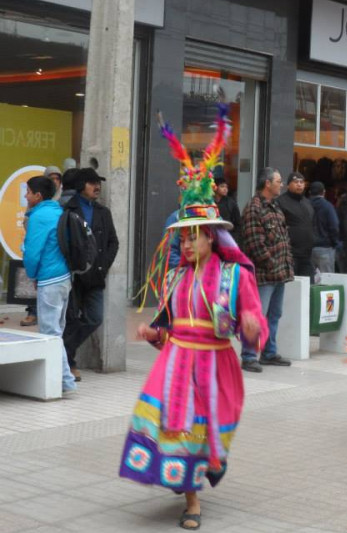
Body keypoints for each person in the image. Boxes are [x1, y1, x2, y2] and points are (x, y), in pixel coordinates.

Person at [121, 105, 267, 530]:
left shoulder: (235, 276)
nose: (186, 245)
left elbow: (252, 318)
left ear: (212, 237)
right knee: (175, 426)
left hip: (217, 364)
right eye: (182, 237)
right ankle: (192, 501)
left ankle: (203, 468)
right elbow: (167, 326)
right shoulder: (177, 277)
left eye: (193, 237)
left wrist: (255, 330)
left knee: (208, 432)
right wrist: (153, 332)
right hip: (176, 363)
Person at [62, 168, 119, 381]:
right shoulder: (68, 209)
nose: (97, 187)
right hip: (73, 276)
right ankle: (69, 361)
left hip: (95, 276)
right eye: (92, 183)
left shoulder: (103, 212)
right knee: (71, 320)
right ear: (80, 186)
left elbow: (114, 242)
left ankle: (63, 350)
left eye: (99, 183)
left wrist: (103, 265)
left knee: (94, 317)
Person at [22, 176, 77, 394]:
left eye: (28, 192)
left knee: (49, 333)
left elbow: (33, 253)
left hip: (49, 279)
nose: (26, 196)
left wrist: (33, 275)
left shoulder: (40, 217)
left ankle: (65, 382)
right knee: (56, 331)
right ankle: (64, 380)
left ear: (38, 195)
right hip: (64, 279)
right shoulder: (57, 212)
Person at [241, 167, 294, 370]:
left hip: (279, 273)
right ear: (267, 184)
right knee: (256, 315)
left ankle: (269, 352)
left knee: (274, 314)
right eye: (278, 181)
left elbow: (283, 238)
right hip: (263, 275)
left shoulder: (274, 206)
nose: (281, 184)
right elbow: (255, 244)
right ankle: (249, 355)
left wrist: (285, 265)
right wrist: (273, 263)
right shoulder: (254, 208)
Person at [276, 172, 315, 278]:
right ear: (288, 185)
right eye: (296, 182)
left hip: (307, 255)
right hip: (290, 255)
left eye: (301, 182)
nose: (299, 184)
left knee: (308, 288)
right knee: (291, 289)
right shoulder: (280, 202)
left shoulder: (307, 202)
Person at [309, 181, 340, 274]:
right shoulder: (328, 206)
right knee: (327, 281)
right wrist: (335, 243)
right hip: (325, 248)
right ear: (324, 192)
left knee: (310, 281)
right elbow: (334, 226)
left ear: (309, 192)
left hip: (308, 248)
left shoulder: (305, 205)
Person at [213, 177, 243, 243]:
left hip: (228, 237)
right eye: (222, 186)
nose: (225, 189)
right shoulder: (210, 202)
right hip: (213, 237)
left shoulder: (231, 203)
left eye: (226, 187)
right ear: (215, 187)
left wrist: (234, 238)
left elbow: (238, 223)